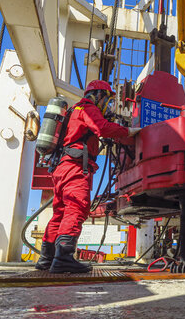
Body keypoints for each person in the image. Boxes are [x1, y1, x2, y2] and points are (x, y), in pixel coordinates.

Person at [35, 80, 140, 274]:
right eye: (107, 100)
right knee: (77, 207)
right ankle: (64, 258)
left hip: (61, 167)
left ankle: (46, 259)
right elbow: (102, 128)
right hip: (74, 167)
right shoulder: (87, 107)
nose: (107, 106)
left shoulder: (73, 110)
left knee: (60, 212)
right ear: (99, 95)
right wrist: (129, 131)